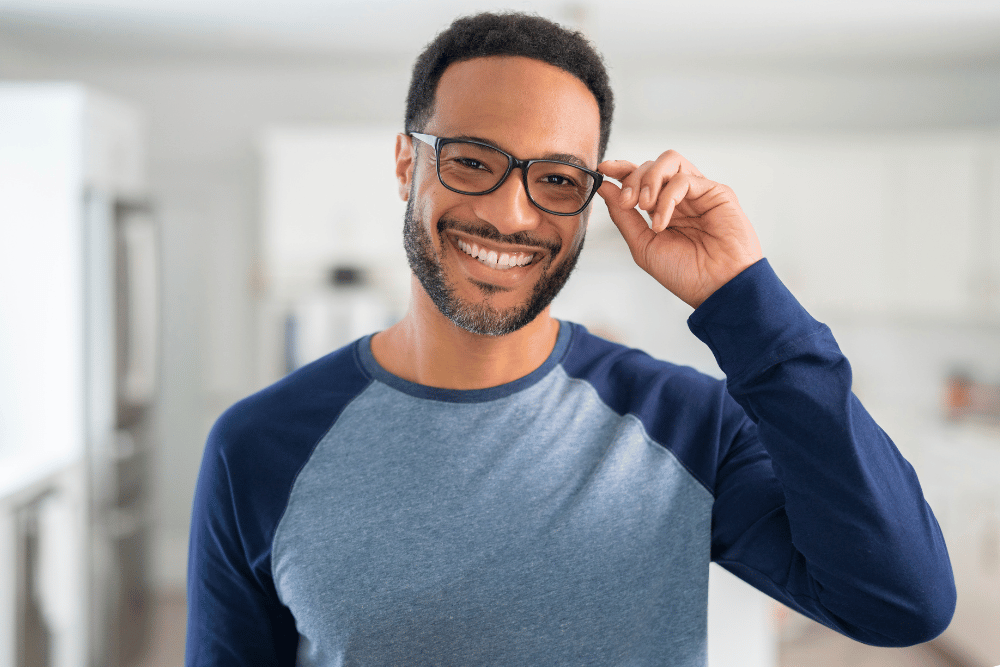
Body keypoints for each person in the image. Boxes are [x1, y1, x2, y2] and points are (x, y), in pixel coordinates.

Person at [186, 12, 956, 666]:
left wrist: (743, 296)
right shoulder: (258, 445)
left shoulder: (685, 425)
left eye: (556, 179)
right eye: (471, 161)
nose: (512, 215)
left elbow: (902, 601)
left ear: (592, 197)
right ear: (405, 164)